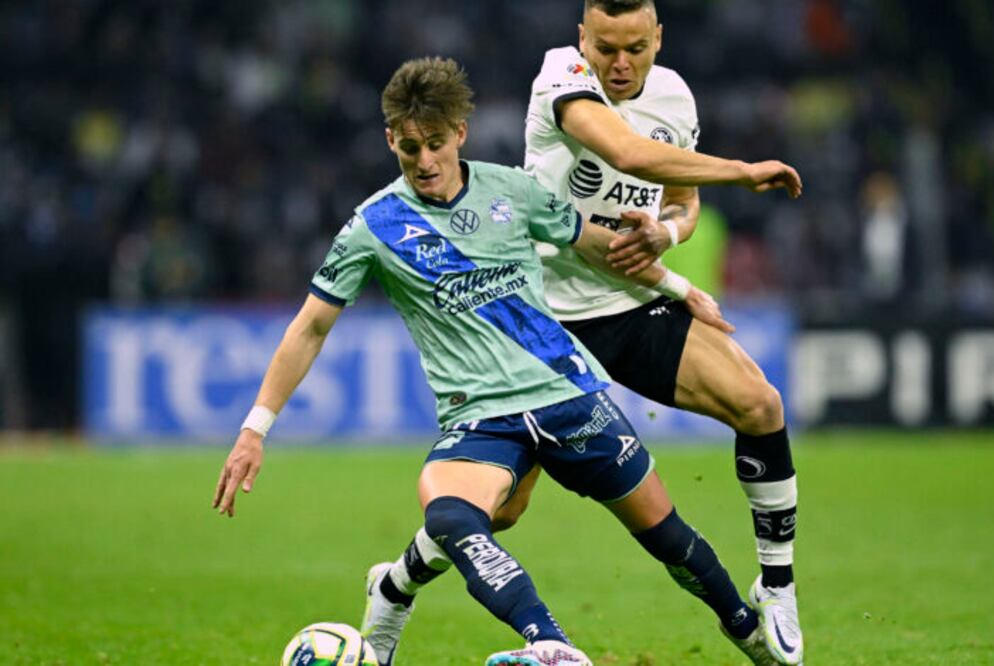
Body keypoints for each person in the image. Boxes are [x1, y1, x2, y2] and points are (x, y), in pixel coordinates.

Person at [213, 57, 780, 666]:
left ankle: (750, 632)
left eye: (435, 144)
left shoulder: (512, 190)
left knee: (666, 537)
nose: (425, 161)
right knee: (453, 514)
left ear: (461, 130)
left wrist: (675, 286)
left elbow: (594, 246)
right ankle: (552, 646)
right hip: (481, 416)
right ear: (389, 140)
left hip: (566, 393)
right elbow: (311, 326)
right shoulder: (373, 226)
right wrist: (255, 427)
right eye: (409, 148)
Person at [365, 2, 807, 665]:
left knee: (759, 403)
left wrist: (668, 234)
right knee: (501, 512)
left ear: (658, 37)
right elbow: (626, 152)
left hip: (628, 304)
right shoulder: (559, 76)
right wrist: (743, 172)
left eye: (635, 47)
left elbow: (679, 202)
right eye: (606, 47)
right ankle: (393, 584)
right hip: (540, 321)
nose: (620, 63)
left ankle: (777, 590)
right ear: (582, 38)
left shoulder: (674, 97)